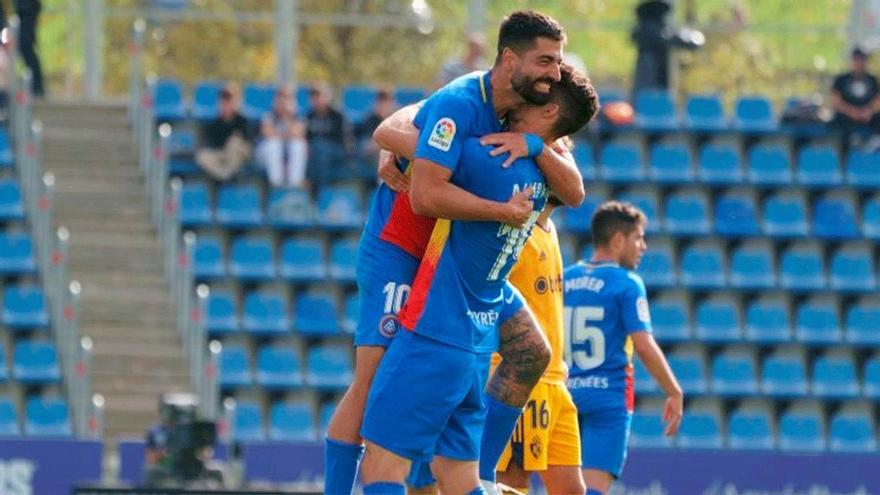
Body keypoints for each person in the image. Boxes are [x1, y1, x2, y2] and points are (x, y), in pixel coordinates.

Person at [322, 10, 586, 495]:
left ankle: (474, 475)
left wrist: (532, 145)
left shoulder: (523, 114)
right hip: (402, 247)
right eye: (546, 61)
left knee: (530, 352)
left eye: (558, 62)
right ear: (510, 60)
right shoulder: (463, 99)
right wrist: (406, 149)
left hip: (453, 257)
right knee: (372, 384)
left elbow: (575, 189)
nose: (555, 73)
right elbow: (394, 131)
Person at [563, 201, 683, 495]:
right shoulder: (627, 283)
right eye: (638, 238)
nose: (643, 246)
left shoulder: (564, 278)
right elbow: (643, 343)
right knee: (593, 488)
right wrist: (673, 390)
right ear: (618, 240)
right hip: (607, 398)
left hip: (565, 395)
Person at [491, 194, 585, 495]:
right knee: (513, 484)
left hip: (556, 378)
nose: (569, 169)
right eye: (560, 157)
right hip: (520, 377)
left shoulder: (550, 229)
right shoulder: (515, 228)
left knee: (572, 490)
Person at [254, 84, 308, 188]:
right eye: (281, 97)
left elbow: (298, 133)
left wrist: (288, 116)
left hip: (287, 153)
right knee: (273, 144)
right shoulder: (269, 114)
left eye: (287, 98)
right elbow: (267, 133)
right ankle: (276, 184)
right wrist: (286, 134)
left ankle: (294, 184)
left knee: (298, 145)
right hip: (264, 155)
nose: (283, 101)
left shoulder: (298, 116)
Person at [194, 84, 251, 181]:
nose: (226, 105)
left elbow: (248, 143)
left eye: (229, 101)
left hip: (237, 154)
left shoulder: (243, 120)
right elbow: (213, 145)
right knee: (202, 156)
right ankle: (225, 175)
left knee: (234, 144)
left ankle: (227, 175)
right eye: (224, 101)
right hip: (221, 154)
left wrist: (235, 142)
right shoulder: (215, 123)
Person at [831, 47, 880, 148]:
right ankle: (849, 145)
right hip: (846, 115)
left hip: (867, 115)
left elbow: (877, 100)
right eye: (857, 60)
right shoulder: (841, 79)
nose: (859, 63)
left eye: (862, 60)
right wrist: (852, 112)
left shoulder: (872, 79)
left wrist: (869, 111)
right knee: (839, 120)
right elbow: (835, 101)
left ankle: (875, 141)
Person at [306, 83, 352, 187]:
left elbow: (344, 140)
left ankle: (320, 189)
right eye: (314, 97)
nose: (316, 100)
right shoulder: (309, 115)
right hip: (316, 152)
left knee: (320, 148)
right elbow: (307, 137)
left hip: (336, 150)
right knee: (316, 151)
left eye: (319, 96)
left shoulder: (337, 115)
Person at [354, 87, 397, 182]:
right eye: (381, 102)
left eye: (386, 102)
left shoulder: (398, 118)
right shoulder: (369, 119)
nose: (384, 106)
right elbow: (368, 145)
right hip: (372, 157)